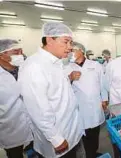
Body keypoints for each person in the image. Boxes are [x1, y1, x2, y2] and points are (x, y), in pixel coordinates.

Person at [18, 22, 85, 158]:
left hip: (69, 131)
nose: (69, 47)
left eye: (71, 43)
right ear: (49, 40)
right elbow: (38, 109)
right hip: (57, 140)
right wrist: (56, 138)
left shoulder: (57, 63)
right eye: (66, 42)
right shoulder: (34, 67)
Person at [64, 42, 108, 158]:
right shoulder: (67, 68)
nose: (70, 52)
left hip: (95, 105)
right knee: (83, 134)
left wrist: (104, 99)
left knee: (95, 132)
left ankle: (93, 151)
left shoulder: (95, 65)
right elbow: (61, 89)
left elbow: (103, 84)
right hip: (79, 107)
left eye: (72, 50)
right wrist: (70, 78)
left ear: (81, 51)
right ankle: (89, 154)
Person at [0, 39, 33, 158]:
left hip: (33, 122)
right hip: (10, 126)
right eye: (15, 52)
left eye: (21, 51)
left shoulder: (25, 70)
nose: (21, 55)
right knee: (15, 154)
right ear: (2, 54)